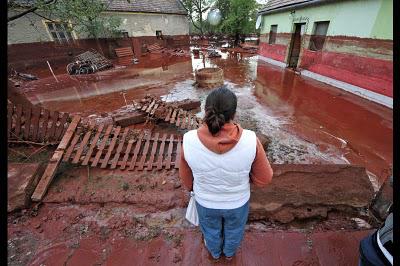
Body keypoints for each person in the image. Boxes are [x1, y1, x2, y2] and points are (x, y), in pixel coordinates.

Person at [179, 86, 273, 261]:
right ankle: (229, 254)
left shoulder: (188, 139)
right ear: (234, 114)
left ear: (205, 111)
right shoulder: (251, 139)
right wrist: (246, 178)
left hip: (205, 201)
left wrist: (198, 187)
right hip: (238, 202)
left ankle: (214, 253)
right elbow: (265, 178)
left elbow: (186, 179)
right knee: (235, 230)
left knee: (210, 231)